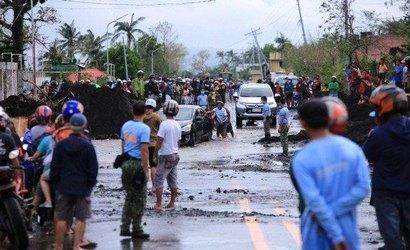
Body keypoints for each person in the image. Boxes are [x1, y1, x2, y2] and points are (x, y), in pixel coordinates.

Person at [292, 99, 370, 250]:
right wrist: (336, 214)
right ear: (329, 118)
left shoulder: (301, 159)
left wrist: (336, 236)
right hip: (347, 227)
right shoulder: (353, 149)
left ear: (302, 122)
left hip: (316, 230)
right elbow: (363, 187)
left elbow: (314, 201)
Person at [362, 85, 409, 250]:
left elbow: (363, 158)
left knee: (393, 242)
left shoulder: (378, 134)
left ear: (383, 108)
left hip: (386, 195)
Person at [50, 113, 98, 250]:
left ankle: (58, 245)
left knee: (61, 217)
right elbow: (93, 169)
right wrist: (90, 185)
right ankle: (77, 245)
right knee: (81, 218)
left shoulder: (61, 145)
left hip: (64, 186)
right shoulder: (88, 146)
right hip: (82, 187)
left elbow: (54, 168)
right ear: (84, 127)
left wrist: (57, 184)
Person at [119, 101, 150, 239]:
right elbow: (144, 151)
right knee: (140, 198)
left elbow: (123, 145)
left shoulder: (125, 126)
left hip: (126, 163)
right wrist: (146, 170)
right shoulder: (144, 129)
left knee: (129, 197)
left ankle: (124, 227)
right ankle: (137, 228)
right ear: (145, 112)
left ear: (133, 111)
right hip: (137, 165)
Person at [154, 100, 181, 211]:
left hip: (165, 155)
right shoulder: (177, 125)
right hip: (175, 155)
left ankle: (159, 204)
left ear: (164, 111)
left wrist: (154, 153)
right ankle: (172, 203)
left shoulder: (164, 124)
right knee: (173, 179)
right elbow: (178, 142)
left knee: (158, 179)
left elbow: (159, 141)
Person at [143, 99, 161, 187]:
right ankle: (154, 186)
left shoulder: (141, 117)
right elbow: (161, 129)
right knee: (153, 165)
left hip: (143, 144)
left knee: (144, 165)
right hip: (153, 144)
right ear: (154, 107)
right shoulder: (156, 117)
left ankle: (143, 186)